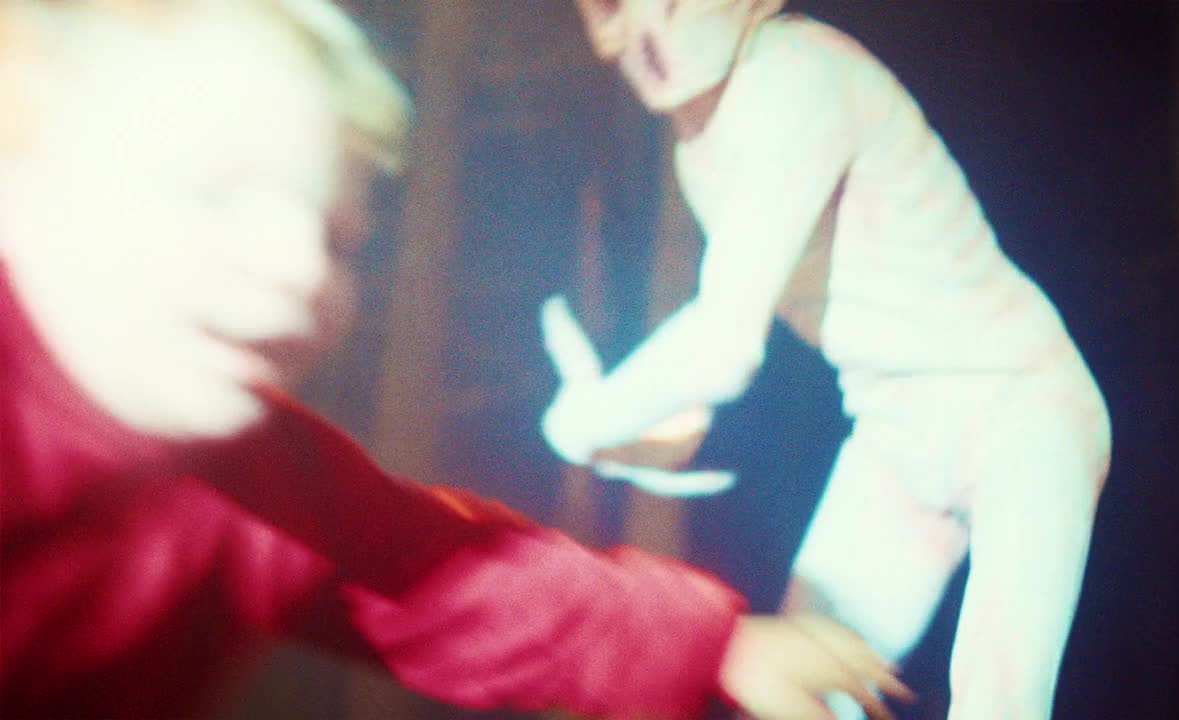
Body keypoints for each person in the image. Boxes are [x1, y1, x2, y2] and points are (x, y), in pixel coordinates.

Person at [0, 1, 912, 719]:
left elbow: (443, 572)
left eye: (340, 237)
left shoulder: (257, 481)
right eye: (215, 191)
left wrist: (713, 645)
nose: (300, 268)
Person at [540, 1, 1113, 718]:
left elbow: (722, 347)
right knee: (802, 687)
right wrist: (640, 432)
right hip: (895, 439)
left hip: (1017, 402)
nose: (642, 25)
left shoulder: (797, 74)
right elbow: (737, 334)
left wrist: (583, 422)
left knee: (998, 703)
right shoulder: (699, 154)